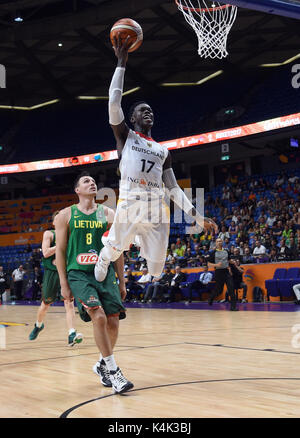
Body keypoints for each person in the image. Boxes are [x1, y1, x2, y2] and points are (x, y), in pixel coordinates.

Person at [94, 34, 218, 284]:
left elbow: (173, 189)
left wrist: (197, 216)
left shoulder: (164, 152)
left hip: (156, 209)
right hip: (130, 202)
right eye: (142, 110)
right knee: (113, 250)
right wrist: (121, 63)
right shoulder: (125, 137)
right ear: (133, 118)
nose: (148, 112)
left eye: (150, 110)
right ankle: (106, 255)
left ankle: (137, 239)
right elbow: (114, 101)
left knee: (157, 271)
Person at [55, 172, 133, 394]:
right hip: (78, 273)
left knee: (113, 322)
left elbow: (116, 250)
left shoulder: (108, 214)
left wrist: (122, 281)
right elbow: (60, 251)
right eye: (86, 181)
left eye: (93, 181)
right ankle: (114, 372)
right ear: (77, 190)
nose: (92, 183)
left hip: (104, 273)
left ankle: (101, 364)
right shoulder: (65, 216)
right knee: (97, 316)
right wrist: (63, 282)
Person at [29, 211, 83, 347]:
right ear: (54, 222)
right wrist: (60, 243)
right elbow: (46, 253)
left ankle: (72, 333)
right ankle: (38, 325)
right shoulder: (49, 234)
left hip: (65, 272)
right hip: (52, 273)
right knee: (45, 304)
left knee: (69, 302)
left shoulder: (71, 235)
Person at [207, 238, 238, 311]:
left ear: (222, 242)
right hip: (218, 272)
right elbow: (208, 264)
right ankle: (211, 298)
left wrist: (232, 262)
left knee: (231, 288)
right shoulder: (213, 252)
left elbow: (229, 260)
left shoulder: (226, 251)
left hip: (226, 271)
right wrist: (216, 265)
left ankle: (233, 307)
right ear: (216, 243)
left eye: (220, 241)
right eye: (218, 241)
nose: (219, 242)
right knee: (219, 290)